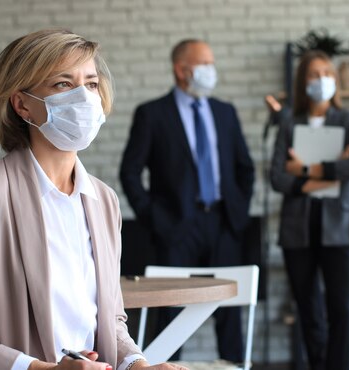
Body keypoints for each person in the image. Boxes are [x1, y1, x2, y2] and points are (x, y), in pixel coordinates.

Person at [0, 29, 187, 370]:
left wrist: (137, 364)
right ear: (22, 105)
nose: (85, 97)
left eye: (91, 84)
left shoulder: (104, 200)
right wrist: (38, 369)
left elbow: (110, 321)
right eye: (62, 84)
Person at [119, 39, 255, 363]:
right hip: (176, 227)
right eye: (205, 63)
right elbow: (130, 172)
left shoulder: (225, 112)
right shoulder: (152, 113)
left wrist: (238, 211)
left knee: (229, 314)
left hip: (223, 223)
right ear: (182, 70)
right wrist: (154, 218)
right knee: (171, 314)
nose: (212, 70)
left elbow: (245, 168)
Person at [267, 50, 349, 370]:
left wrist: (305, 170)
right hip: (299, 228)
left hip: (341, 226)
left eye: (328, 73)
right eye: (314, 73)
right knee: (308, 310)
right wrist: (326, 175)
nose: (322, 79)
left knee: (342, 309)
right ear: (302, 81)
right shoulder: (289, 123)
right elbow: (278, 177)